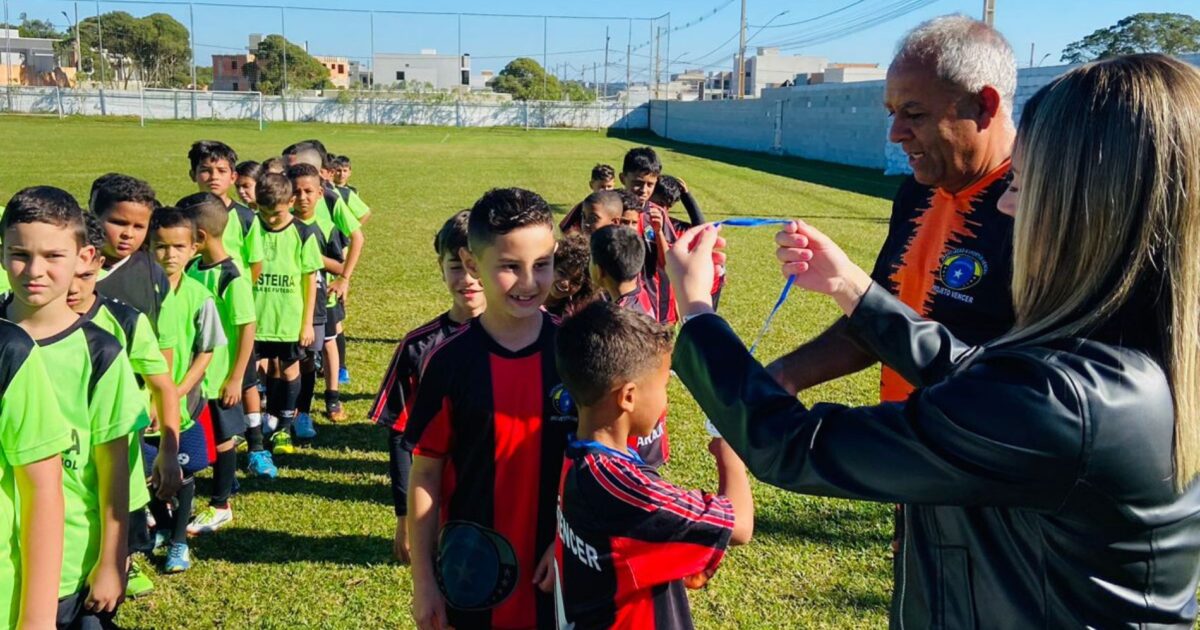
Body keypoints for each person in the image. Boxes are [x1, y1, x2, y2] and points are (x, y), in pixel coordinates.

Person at [665, 53, 1200, 626]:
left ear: (1085, 208)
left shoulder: (1070, 400)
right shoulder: (1117, 359)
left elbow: (793, 446)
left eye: (1022, 183)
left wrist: (697, 311)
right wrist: (852, 288)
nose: (1006, 204)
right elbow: (970, 370)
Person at [767, 15, 1018, 402]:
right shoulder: (918, 192)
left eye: (914, 114)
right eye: (892, 113)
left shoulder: (1035, 211)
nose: (895, 133)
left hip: (974, 457)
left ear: (984, 106)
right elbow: (879, 321)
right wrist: (783, 375)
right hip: (903, 447)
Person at [406, 188, 576, 630]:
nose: (529, 282)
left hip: (562, 568)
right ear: (472, 263)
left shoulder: (576, 353)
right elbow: (425, 471)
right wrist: (423, 581)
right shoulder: (448, 363)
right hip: (472, 571)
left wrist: (564, 539)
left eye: (542, 265)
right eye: (509, 267)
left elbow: (601, 459)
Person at [554, 301, 752, 629]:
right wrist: (730, 450)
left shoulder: (579, 454)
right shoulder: (621, 489)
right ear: (628, 396)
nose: (665, 399)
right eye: (663, 387)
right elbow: (740, 525)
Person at [0, 186, 145, 628]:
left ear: (84, 258)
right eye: (19, 254)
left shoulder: (100, 352)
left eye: (53, 256)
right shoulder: (3, 346)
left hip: (71, 563)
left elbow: (113, 463)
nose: (34, 270)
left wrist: (111, 559)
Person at [70, 212, 183, 599]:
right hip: (58, 465)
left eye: (84, 277)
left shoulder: (124, 321)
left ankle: (122, 564)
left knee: (115, 547)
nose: (72, 287)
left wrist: (169, 451)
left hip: (121, 465)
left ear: (97, 266)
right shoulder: (22, 323)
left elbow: (163, 385)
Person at [368, 210, 485, 564]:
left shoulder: (527, 338)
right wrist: (404, 519)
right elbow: (402, 437)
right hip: (444, 501)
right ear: (440, 266)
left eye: (476, 266)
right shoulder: (419, 346)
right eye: (455, 266)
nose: (468, 279)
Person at [0, 189, 82, 629]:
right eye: (18, 255)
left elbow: (43, 490)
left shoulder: (8, 351)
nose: (34, 271)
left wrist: (36, 618)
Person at [147, 206, 224, 574]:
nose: (169, 255)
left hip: (184, 400)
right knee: (145, 471)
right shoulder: (137, 294)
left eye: (178, 247)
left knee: (183, 471)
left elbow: (205, 352)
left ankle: (179, 542)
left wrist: (176, 393)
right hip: (142, 404)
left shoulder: (199, 296)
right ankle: (162, 525)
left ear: (195, 247)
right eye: (161, 246)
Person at [179, 193, 257, 534]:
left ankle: (221, 504)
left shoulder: (232, 277)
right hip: (196, 373)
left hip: (221, 375)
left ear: (199, 237)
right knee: (198, 436)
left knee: (224, 439)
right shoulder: (194, 268)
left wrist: (236, 377)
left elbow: (247, 328)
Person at [252, 173, 322, 459]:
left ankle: (284, 427)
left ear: (290, 202)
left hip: (289, 320)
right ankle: (259, 423)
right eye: (264, 213)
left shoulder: (303, 233)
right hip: (256, 319)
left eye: (277, 213)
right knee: (256, 373)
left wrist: (307, 323)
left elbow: (310, 280)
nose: (270, 219)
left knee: (289, 369)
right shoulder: (252, 228)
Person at [284, 143, 364, 389]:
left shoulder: (330, 199)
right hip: (291, 290)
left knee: (329, 336)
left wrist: (344, 278)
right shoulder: (285, 201)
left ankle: (333, 393)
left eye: (294, 167)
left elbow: (358, 235)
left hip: (323, 289)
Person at [589, 224, 670, 468]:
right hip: (653, 429)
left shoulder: (613, 324)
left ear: (598, 271)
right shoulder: (648, 292)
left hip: (628, 440)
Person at [287, 163, 338, 434]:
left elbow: (341, 267)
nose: (302, 197)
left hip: (314, 306)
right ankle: (280, 414)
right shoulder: (279, 223)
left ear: (320, 193)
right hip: (282, 305)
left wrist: (312, 258)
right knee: (281, 363)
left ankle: (303, 414)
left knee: (307, 358)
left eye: (308, 191)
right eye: (296, 192)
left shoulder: (325, 228)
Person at [90, 174, 171, 327]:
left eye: (139, 226)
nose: (128, 234)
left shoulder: (153, 273)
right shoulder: (71, 268)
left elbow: (165, 340)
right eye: (118, 223)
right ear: (95, 218)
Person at [188, 141, 263, 278]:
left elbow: (256, 264)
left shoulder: (246, 217)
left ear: (233, 177)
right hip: (194, 294)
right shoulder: (184, 213)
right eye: (205, 170)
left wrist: (240, 289)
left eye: (221, 171)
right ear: (193, 175)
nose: (214, 177)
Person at [544, 232, 599, 318]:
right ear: (551, 264)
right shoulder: (524, 296)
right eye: (561, 273)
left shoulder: (572, 317)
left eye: (575, 282)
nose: (565, 283)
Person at [558, 163, 617, 233]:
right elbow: (564, 227)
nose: (606, 190)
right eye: (602, 187)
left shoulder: (619, 205)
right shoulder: (584, 206)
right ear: (591, 185)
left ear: (614, 184)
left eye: (609, 186)